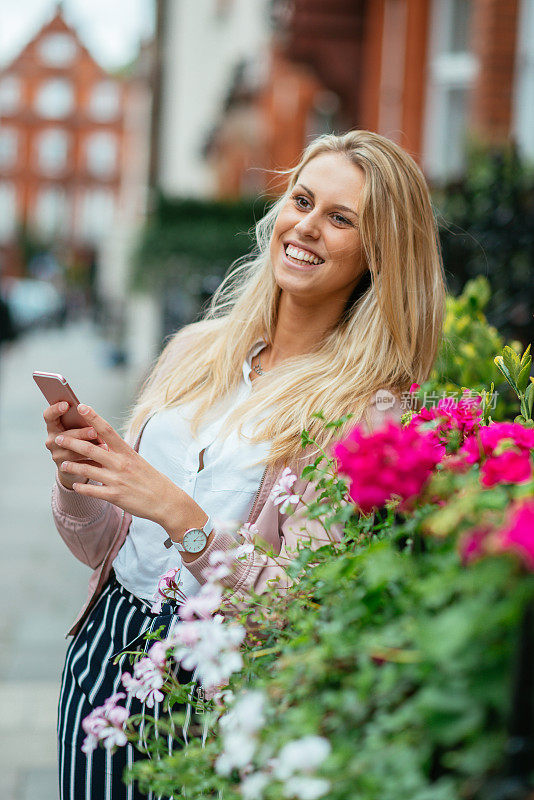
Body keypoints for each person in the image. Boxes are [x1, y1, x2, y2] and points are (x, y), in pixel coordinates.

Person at [44, 130, 446, 799]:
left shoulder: (368, 413)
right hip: (105, 652)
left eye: (340, 218)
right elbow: (97, 548)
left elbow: (305, 602)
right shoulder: (195, 351)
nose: (307, 227)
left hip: (225, 685)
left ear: (379, 255)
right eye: (303, 201)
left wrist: (183, 517)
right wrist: (79, 480)